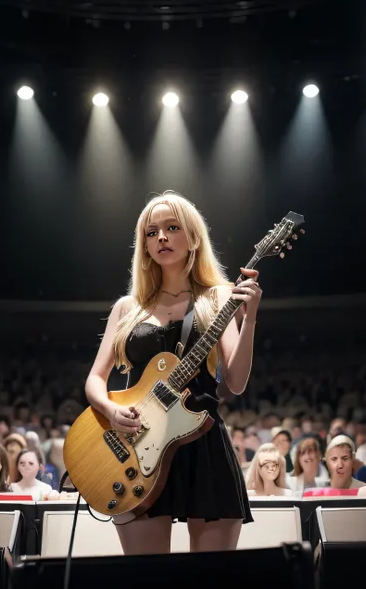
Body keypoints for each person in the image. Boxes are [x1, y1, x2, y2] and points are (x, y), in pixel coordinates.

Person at [85, 191, 262, 555]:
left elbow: (236, 383)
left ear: (193, 237)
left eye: (172, 227)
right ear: (144, 245)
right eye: (152, 232)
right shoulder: (127, 307)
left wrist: (251, 317)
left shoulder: (219, 297)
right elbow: (94, 379)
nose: (161, 237)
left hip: (203, 442)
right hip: (136, 447)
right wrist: (109, 409)